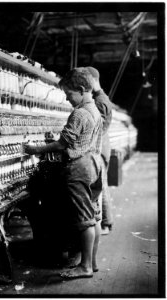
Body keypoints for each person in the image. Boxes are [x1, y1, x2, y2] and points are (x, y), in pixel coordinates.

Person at [24, 67, 103, 279]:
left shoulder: (79, 113)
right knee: (93, 215)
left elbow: (63, 144)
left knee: (83, 218)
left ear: (80, 89)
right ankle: (91, 263)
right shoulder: (95, 110)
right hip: (94, 164)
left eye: (69, 95)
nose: (68, 99)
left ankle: (84, 267)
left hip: (79, 168)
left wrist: (36, 149)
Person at [85, 66, 114, 234]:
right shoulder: (99, 98)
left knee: (100, 187)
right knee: (102, 186)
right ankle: (105, 222)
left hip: (100, 149)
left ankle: (105, 224)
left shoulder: (100, 101)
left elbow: (98, 128)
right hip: (101, 148)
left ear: (93, 81)